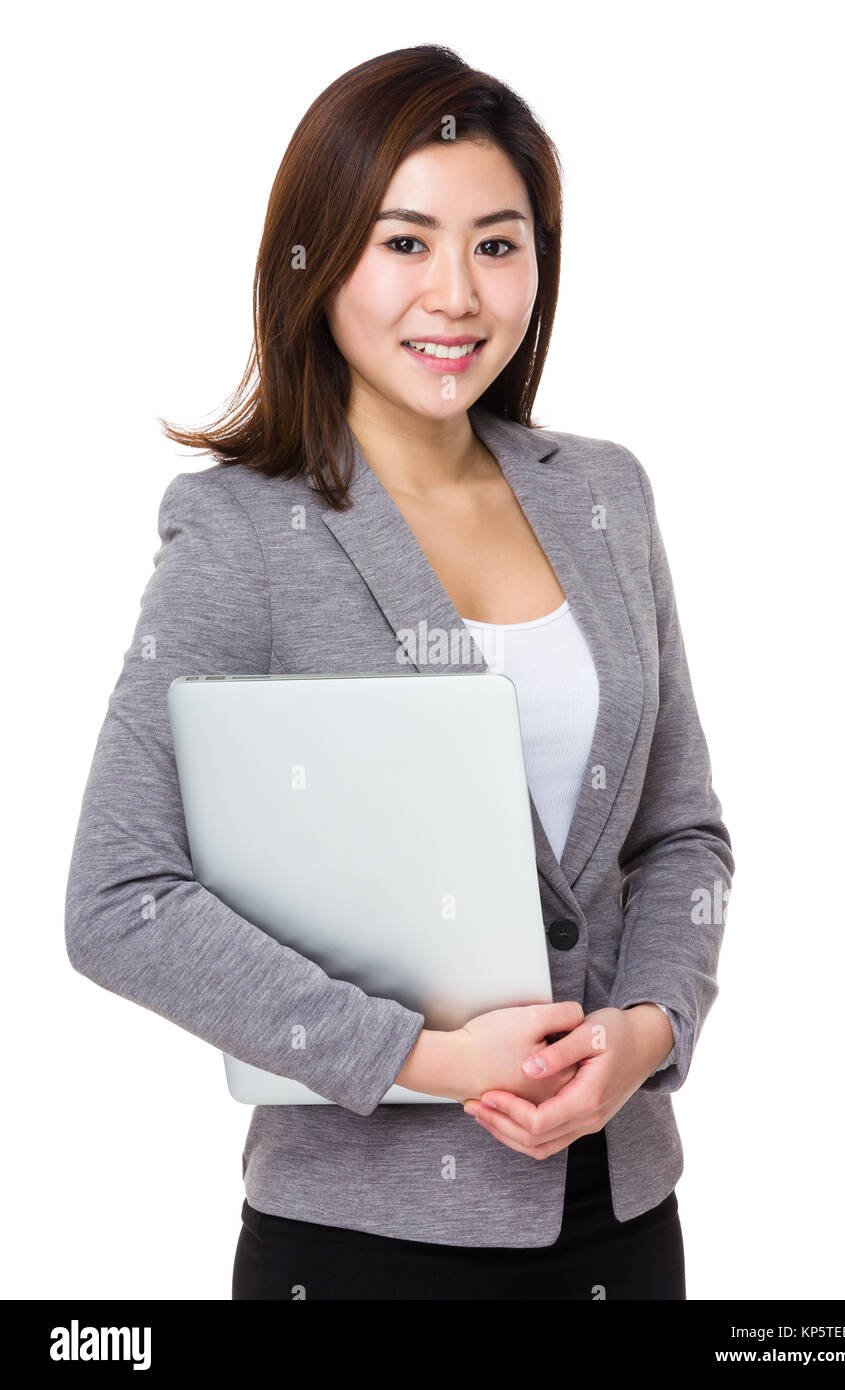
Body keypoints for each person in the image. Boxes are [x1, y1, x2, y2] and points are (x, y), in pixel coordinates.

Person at [65, 44, 734, 1300]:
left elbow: (681, 829)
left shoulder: (603, 496)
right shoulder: (243, 533)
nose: (458, 295)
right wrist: (426, 1056)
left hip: (627, 1215)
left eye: (497, 243)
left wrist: (648, 1033)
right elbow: (119, 899)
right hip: (362, 1246)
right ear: (316, 260)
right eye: (403, 242)